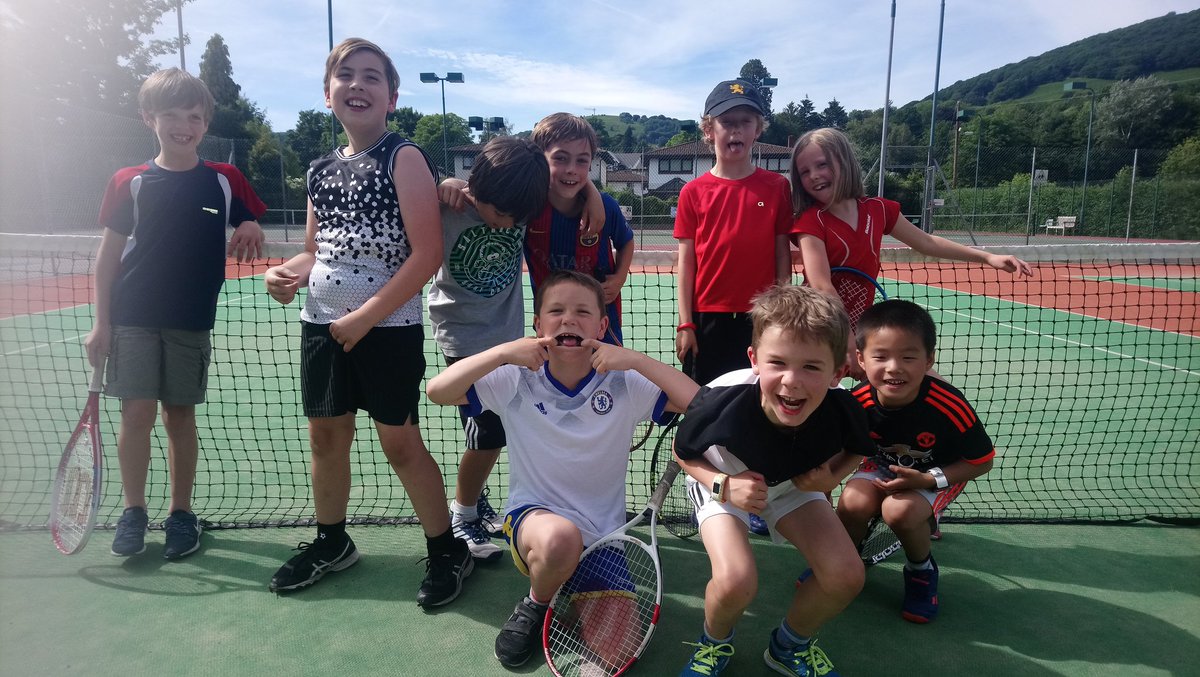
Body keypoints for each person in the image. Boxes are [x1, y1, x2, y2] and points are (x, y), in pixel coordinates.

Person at [262, 38, 470, 606]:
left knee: (399, 442)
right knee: (326, 436)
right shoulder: (320, 169)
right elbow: (315, 251)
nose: (358, 84)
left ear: (392, 97)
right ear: (327, 94)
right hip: (321, 326)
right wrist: (288, 273)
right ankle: (332, 542)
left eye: (372, 77)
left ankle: (445, 549)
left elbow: (425, 255)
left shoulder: (403, 157)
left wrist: (363, 319)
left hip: (387, 330)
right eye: (345, 75)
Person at [427, 270, 698, 669]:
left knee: (618, 655)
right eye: (555, 311)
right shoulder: (514, 377)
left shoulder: (625, 381)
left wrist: (636, 360)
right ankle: (536, 603)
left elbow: (699, 403)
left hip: (604, 541)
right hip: (535, 526)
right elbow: (438, 391)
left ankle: (566, 586)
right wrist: (503, 352)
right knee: (559, 540)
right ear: (538, 325)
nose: (568, 319)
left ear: (602, 326)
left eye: (582, 312)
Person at [84, 68, 265, 561]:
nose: (182, 126)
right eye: (170, 115)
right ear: (149, 118)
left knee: (179, 416)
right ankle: (134, 511)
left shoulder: (225, 180)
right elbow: (107, 259)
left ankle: (182, 514)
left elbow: (249, 216)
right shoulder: (129, 182)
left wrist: (248, 220)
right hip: (132, 316)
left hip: (191, 320)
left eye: (194, 117)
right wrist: (102, 322)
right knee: (136, 413)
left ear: (205, 123)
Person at [673, 285, 875, 677]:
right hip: (723, 481)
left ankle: (788, 646)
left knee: (846, 576)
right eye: (777, 362)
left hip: (793, 487)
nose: (791, 381)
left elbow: (857, 450)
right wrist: (723, 485)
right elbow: (684, 454)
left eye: (811, 367)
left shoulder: (844, 409)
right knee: (735, 581)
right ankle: (713, 643)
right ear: (754, 360)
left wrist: (828, 478)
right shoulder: (721, 400)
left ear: (838, 372)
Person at [790, 127, 1032, 377]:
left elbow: (926, 242)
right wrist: (847, 340)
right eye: (804, 171)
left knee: (927, 385)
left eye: (822, 165)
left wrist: (987, 257)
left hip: (863, 328)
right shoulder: (810, 221)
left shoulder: (878, 210)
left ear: (845, 162)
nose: (814, 175)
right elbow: (821, 285)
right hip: (820, 327)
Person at [427, 136, 550, 562]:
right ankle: (462, 514)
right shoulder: (450, 207)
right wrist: (444, 181)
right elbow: (416, 191)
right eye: (499, 215)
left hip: (509, 339)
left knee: (503, 428)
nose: (506, 224)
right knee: (487, 434)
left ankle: (475, 502)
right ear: (476, 192)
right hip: (463, 339)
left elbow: (565, 183)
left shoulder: (517, 203)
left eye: (515, 219)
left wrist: (590, 192)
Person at [837, 299, 995, 624]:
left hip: (941, 470)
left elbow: (981, 461)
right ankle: (840, 564)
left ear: (928, 361)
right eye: (880, 357)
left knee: (901, 511)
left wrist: (927, 481)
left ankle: (921, 572)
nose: (894, 367)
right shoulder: (856, 401)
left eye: (908, 357)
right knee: (852, 502)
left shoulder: (949, 405)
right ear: (861, 360)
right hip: (884, 464)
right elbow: (840, 451)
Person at [674, 79, 794, 388]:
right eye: (726, 122)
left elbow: (782, 254)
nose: (736, 130)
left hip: (762, 316)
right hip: (707, 319)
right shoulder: (692, 192)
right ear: (709, 130)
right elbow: (687, 265)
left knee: (760, 399)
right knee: (703, 404)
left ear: (758, 130)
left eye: (745, 122)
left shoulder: (778, 187)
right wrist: (686, 323)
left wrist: (781, 309)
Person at [525, 112, 634, 345]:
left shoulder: (605, 206)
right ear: (539, 159)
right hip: (552, 321)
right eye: (560, 158)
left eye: (582, 160)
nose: (572, 169)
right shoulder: (528, 208)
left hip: (603, 319)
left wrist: (620, 278)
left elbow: (626, 241)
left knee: (607, 375)